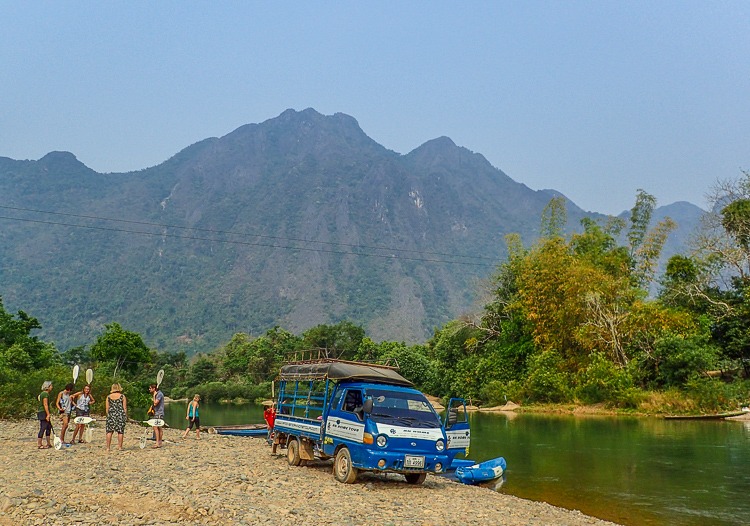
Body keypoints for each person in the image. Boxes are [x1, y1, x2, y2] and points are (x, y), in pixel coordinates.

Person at [105, 383, 128, 451]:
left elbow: (107, 408)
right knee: (120, 432)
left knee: (109, 431)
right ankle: (120, 447)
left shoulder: (108, 397)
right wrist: (125, 416)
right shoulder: (122, 396)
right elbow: (125, 408)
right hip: (120, 414)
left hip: (111, 414)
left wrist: (108, 415)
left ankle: (108, 447)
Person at [36, 380, 54, 449]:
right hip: (43, 412)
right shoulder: (45, 394)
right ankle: (39, 444)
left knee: (49, 427)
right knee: (43, 427)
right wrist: (48, 414)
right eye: (51, 386)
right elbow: (45, 404)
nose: (52, 387)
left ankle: (48, 443)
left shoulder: (42, 394)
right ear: (48, 386)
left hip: (42, 412)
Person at [149, 383, 164, 448]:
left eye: (150, 388)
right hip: (157, 413)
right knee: (159, 428)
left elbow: (155, 403)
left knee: (156, 427)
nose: (149, 389)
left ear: (154, 389)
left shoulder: (159, 394)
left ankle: (158, 443)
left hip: (159, 413)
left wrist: (154, 396)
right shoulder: (158, 394)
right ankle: (159, 442)